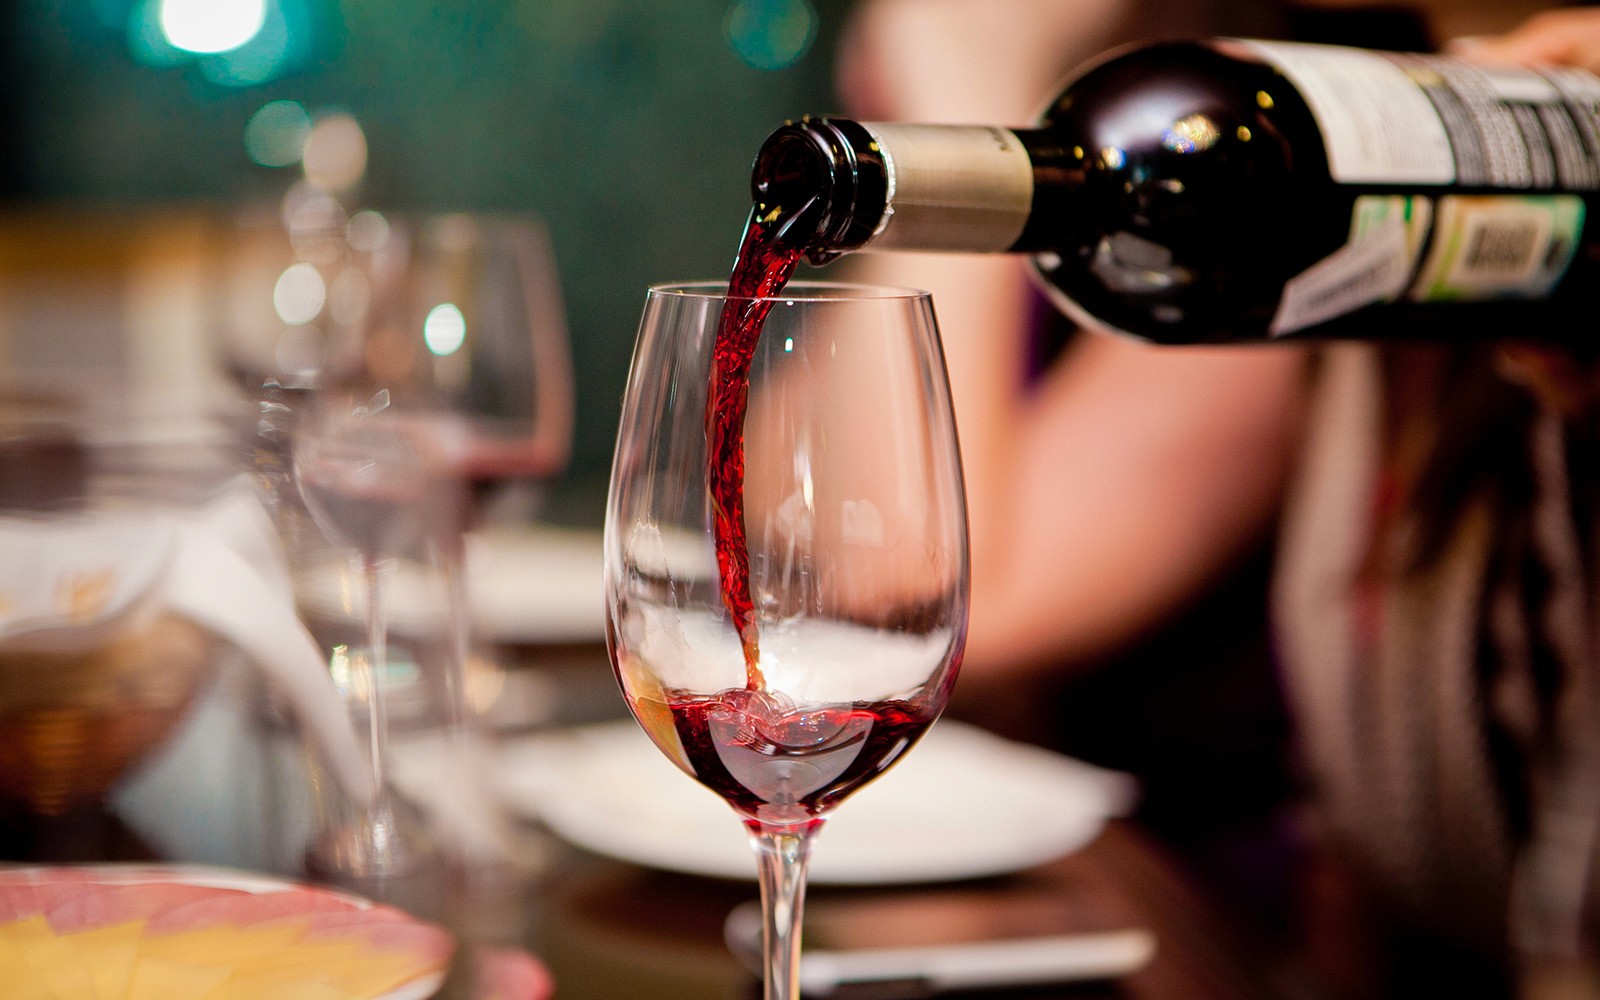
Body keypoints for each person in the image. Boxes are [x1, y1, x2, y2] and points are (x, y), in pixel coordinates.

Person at [831, 1, 1600, 997]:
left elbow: (907, 593)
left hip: (1193, 919)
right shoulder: (1197, 95)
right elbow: (806, 535)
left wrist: (965, 84)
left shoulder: (1265, 156)